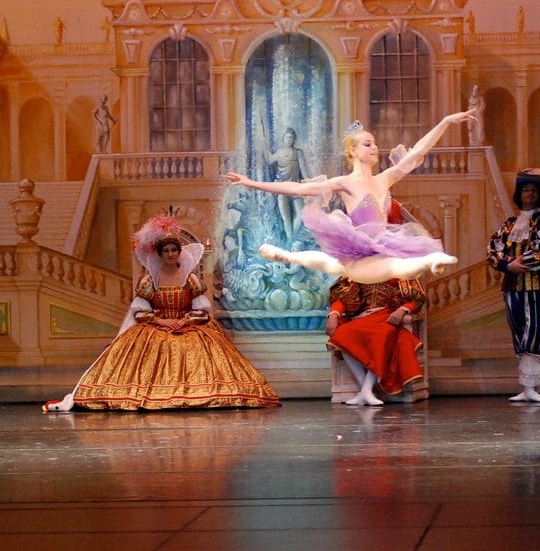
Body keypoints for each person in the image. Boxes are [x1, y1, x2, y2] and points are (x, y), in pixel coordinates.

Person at [43, 215, 280, 411]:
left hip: (188, 326)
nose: (170, 254)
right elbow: (139, 313)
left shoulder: (190, 279)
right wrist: (162, 322)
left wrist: (183, 321)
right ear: (160, 254)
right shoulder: (151, 281)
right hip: (156, 327)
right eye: (166, 250)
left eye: (174, 250)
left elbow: (202, 310)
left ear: (179, 252)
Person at [226, 110, 476, 284]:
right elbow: (297, 189)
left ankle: (286, 256)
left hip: (382, 247)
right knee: (343, 264)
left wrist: (445, 122)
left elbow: (418, 152)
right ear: (353, 151)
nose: (375, 147)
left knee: (340, 264)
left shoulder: (384, 179)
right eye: (368, 144)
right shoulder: (345, 183)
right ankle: (287, 256)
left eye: (374, 143)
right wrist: (251, 183)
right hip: (359, 255)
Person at [486, 168, 540, 403]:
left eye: (533, 190)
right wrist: (507, 265)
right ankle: (525, 388)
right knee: (518, 331)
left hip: (536, 285)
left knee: (536, 330)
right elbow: (493, 249)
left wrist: (521, 263)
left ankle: (531, 387)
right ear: (519, 194)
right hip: (511, 286)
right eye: (525, 190)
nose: (529, 194)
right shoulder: (508, 225)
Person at [326, 275, 426, 406]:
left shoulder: (400, 272)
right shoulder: (357, 271)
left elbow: (417, 299)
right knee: (341, 335)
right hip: (362, 318)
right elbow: (341, 300)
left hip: (387, 317)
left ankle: (365, 391)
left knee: (382, 336)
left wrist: (402, 310)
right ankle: (366, 390)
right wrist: (333, 314)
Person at [261, 127, 310, 244]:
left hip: (295, 189)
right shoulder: (279, 153)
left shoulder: (298, 153)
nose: (289, 140)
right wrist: (263, 144)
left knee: (301, 215)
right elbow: (269, 160)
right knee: (286, 218)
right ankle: (289, 241)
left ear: (294, 139)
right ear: (283, 139)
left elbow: (304, 171)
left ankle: (292, 239)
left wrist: (309, 183)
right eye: (287, 137)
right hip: (282, 189)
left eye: (291, 138)